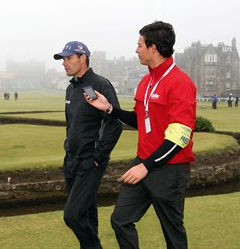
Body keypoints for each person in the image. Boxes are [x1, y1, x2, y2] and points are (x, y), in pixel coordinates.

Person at [85, 21, 196, 249]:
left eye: (139, 45)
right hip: (143, 164)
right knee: (120, 220)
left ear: (153, 47)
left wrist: (146, 166)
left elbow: (179, 137)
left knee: (173, 236)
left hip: (169, 170)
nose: (136, 50)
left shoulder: (180, 83)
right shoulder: (146, 81)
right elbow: (139, 119)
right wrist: (109, 109)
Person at [53, 41, 122, 249]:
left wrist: (97, 157)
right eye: (62, 59)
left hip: (90, 162)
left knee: (72, 215)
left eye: (68, 58)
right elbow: (71, 126)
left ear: (83, 58)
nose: (64, 63)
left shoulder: (99, 85)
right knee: (86, 214)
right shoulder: (70, 89)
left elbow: (114, 125)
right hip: (72, 161)